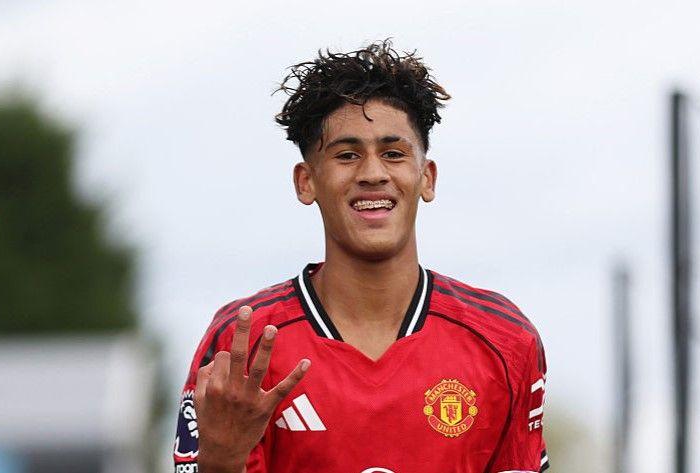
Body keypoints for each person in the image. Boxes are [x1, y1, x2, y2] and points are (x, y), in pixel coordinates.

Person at [172, 40, 548, 473]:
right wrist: (220, 460)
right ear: (306, 182)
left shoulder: (504, 341)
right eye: (347, 155)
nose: (373, 173)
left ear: (426, 177)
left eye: (393, 153)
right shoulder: (243, 342)